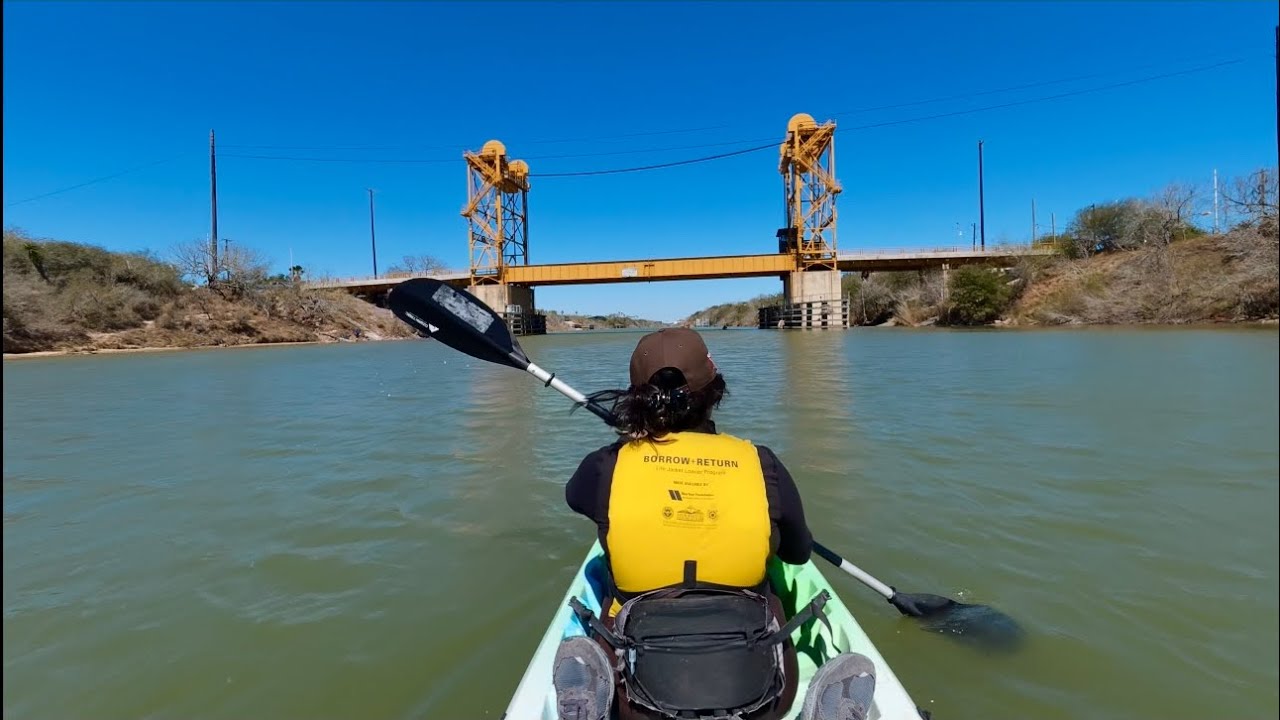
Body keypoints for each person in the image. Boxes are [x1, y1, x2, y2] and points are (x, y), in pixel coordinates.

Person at [552, 328, 877, 720]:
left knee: (604, 580)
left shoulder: (606, 466)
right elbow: (797, 553)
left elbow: (575, 496)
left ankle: (595, 704)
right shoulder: (763, 464)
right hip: (765, 696)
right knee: (769, 585)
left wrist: (631, 445)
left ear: (638, 399)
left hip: (636, 699)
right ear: (714, 389)